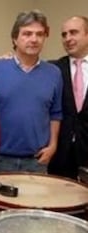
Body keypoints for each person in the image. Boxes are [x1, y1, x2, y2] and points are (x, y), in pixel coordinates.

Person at [0, 10, 63, 173]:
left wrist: (53, 146)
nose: (34, 39)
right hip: (0, 160)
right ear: (15, 38)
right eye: (27, 34)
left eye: (39, 34)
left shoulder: (54, 73)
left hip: (38, 161)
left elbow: (55, 113)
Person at [48, 16, 88, 180]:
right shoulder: (52, 69)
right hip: (59, 157)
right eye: (64, 35)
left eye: (73, 33)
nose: (68, 39)